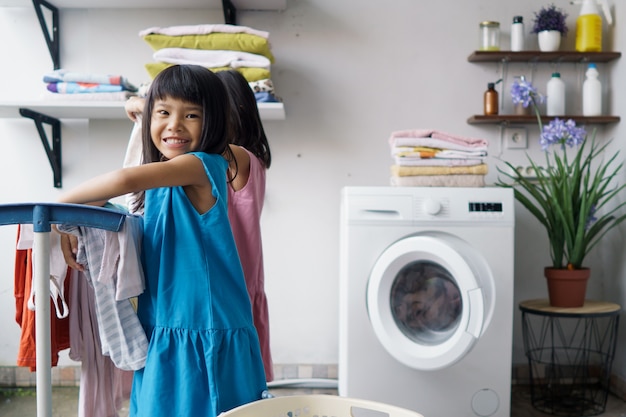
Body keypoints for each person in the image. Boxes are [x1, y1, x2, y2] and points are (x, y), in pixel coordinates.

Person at [56, 64, 267, 417]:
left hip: (205, 329)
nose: (174, 125)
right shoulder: (163, 184)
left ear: (213, 121)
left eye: (192, 115)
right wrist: (67, 223)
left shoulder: (202, 166)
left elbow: (123, 178)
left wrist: (54, 208)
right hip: (168, 325)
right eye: (164, 113)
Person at [124, 69, 275, 381]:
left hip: (223, 282)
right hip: (237, 280)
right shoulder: (253, 162)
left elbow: (178, 142)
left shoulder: (230, 158)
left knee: (226, 369)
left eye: (200, 112)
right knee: (239, 373)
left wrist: (147, 105)